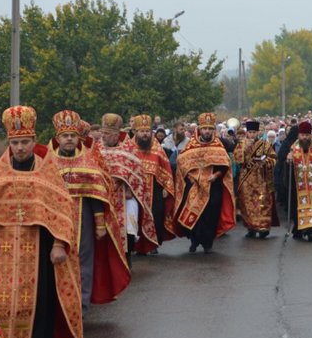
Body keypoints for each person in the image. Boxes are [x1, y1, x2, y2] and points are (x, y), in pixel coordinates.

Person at [0, 106, 82, 338]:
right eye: (16, 142)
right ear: (10, 142)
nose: (20, 148)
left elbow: (63, 211)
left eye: (25, 142)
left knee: (40, 304)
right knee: (2, 305)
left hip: (40, 251)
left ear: (33, 141)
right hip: (3, 253)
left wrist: (59, 244)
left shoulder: (46, 173)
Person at [49, 110, 130, 308]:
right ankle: (57, 304)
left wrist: (100, 224)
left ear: (78, 138)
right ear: (58, 138)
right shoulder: (47, 161)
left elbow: (97, 195)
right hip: (53, 218)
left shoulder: (88, 161)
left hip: (83, 215)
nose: (69, 139)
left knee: (84, 259)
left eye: (72, 136)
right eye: (65, 136)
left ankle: (81, 303)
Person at [95, 113, 158, 263]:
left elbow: (137, 174)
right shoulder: (95, 150)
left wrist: (129, 187)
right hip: (103, 197)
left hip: (126, 196)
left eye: (108, 134)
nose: (104, 137)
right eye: (103, 133)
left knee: (129, 230)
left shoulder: (129, 149)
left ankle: (127, 259)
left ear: (117, 134)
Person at [173, 112, 236, 253]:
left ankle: (208, 243)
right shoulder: (191, 144)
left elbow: (225, 165)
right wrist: (190, 174)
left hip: (213, 185)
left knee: (210, 216)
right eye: (204, 129)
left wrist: (216, 175)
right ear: (200, 129)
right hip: (194, 185)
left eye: (210, 129)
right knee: (194, 215)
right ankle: (194, 241)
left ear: (213, 130)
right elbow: (181, 162)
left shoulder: (219, 145)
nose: (207, 131)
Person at [133, 115, 176, 251]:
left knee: (157, 215)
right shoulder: (129, 148)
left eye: (147, 131)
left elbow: (165, 168)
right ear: (136, 132)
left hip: (156, 188)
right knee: (136, 217)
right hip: (135, 189)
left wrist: (165, 186)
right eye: (142, 131)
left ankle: (153, 243)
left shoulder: (157, 148)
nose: (145, 134)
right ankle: (137, 245)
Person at [235, 121, 279, 239]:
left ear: (258, 132)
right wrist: (244, 150)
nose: (252, 134)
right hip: (246, 180)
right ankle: (251, 228)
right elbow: (237, 160)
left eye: (254, 132)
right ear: (247, 133)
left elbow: (274, 158)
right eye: (250, 132)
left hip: (261, 179)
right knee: (247, 204)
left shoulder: (265, 144)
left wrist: (266, 162)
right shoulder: (241, 144)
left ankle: (263, 227)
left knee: (262, 203)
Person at [285, 122, 312, 241]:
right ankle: (298, 230)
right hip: (297, 184)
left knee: (311, 207)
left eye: (307, 135)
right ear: (298, 135)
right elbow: (283, 165)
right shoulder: (292, 147)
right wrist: (288, 160)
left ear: (310, 135)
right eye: (302, 135)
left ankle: (310, 231)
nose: (304, 137)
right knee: (297, 207)